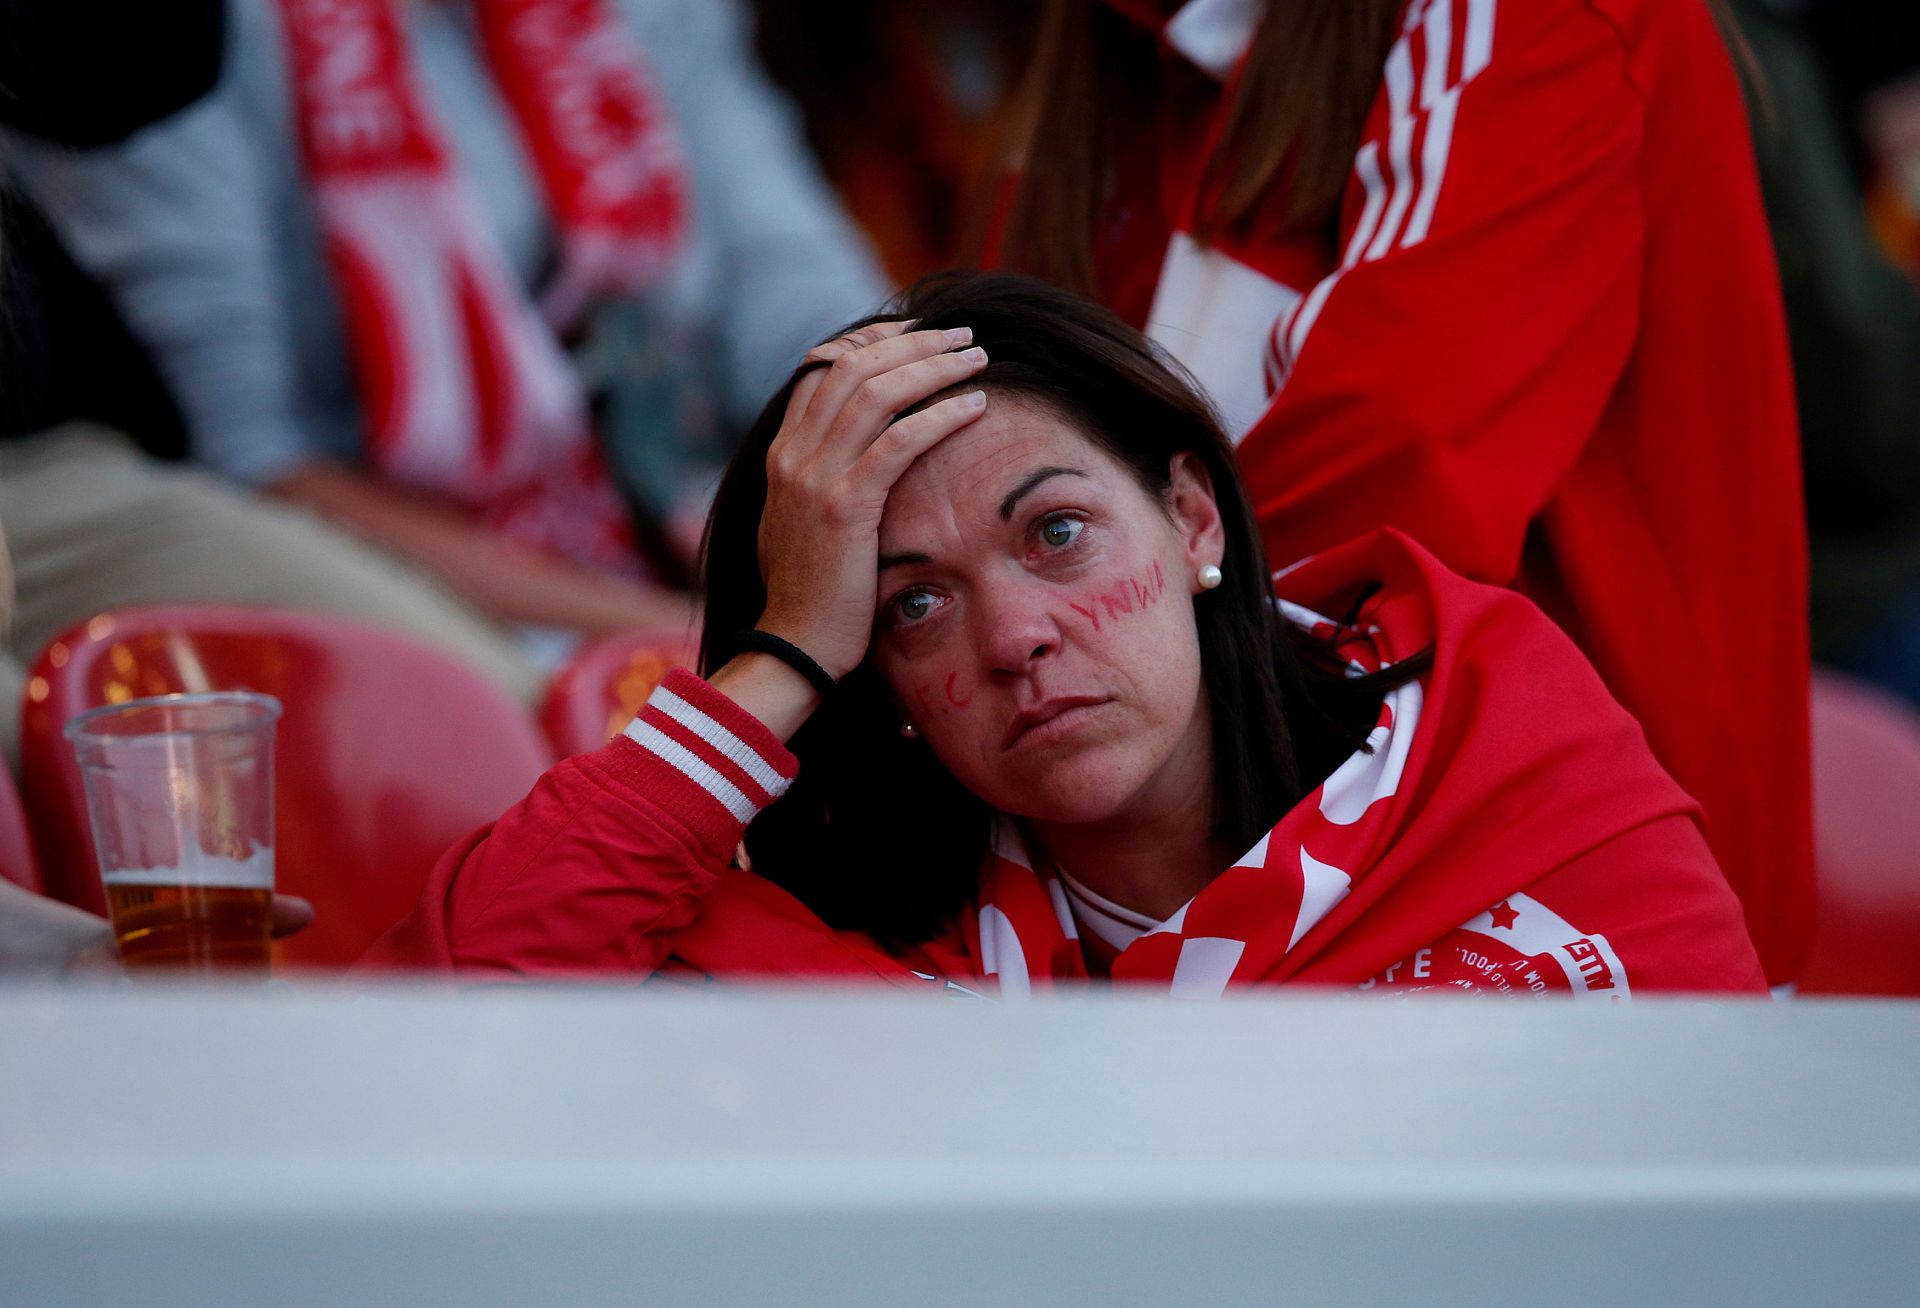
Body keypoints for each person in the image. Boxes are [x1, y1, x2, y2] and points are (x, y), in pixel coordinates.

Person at [368, 273, 1765, 998]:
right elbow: (452, 1032)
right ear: (885, 684)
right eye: (912, 603)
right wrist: (788, 648)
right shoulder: (860, 939)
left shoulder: (1502, 750)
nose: (1016, 638)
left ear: (1194, 522)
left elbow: (1726, 1195)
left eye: (1054, 534)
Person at [989, 0, 1813, 989]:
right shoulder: (1112, 68)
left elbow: (1402, 466)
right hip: (1201, 927)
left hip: (1560, 901)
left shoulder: (1533, 19)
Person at [4, 0, 884, 653]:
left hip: (696, 532)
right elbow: (254, 464)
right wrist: (711, 640)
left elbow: (794, 286)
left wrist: (910, 439)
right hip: (407, 581)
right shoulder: (174, 47)